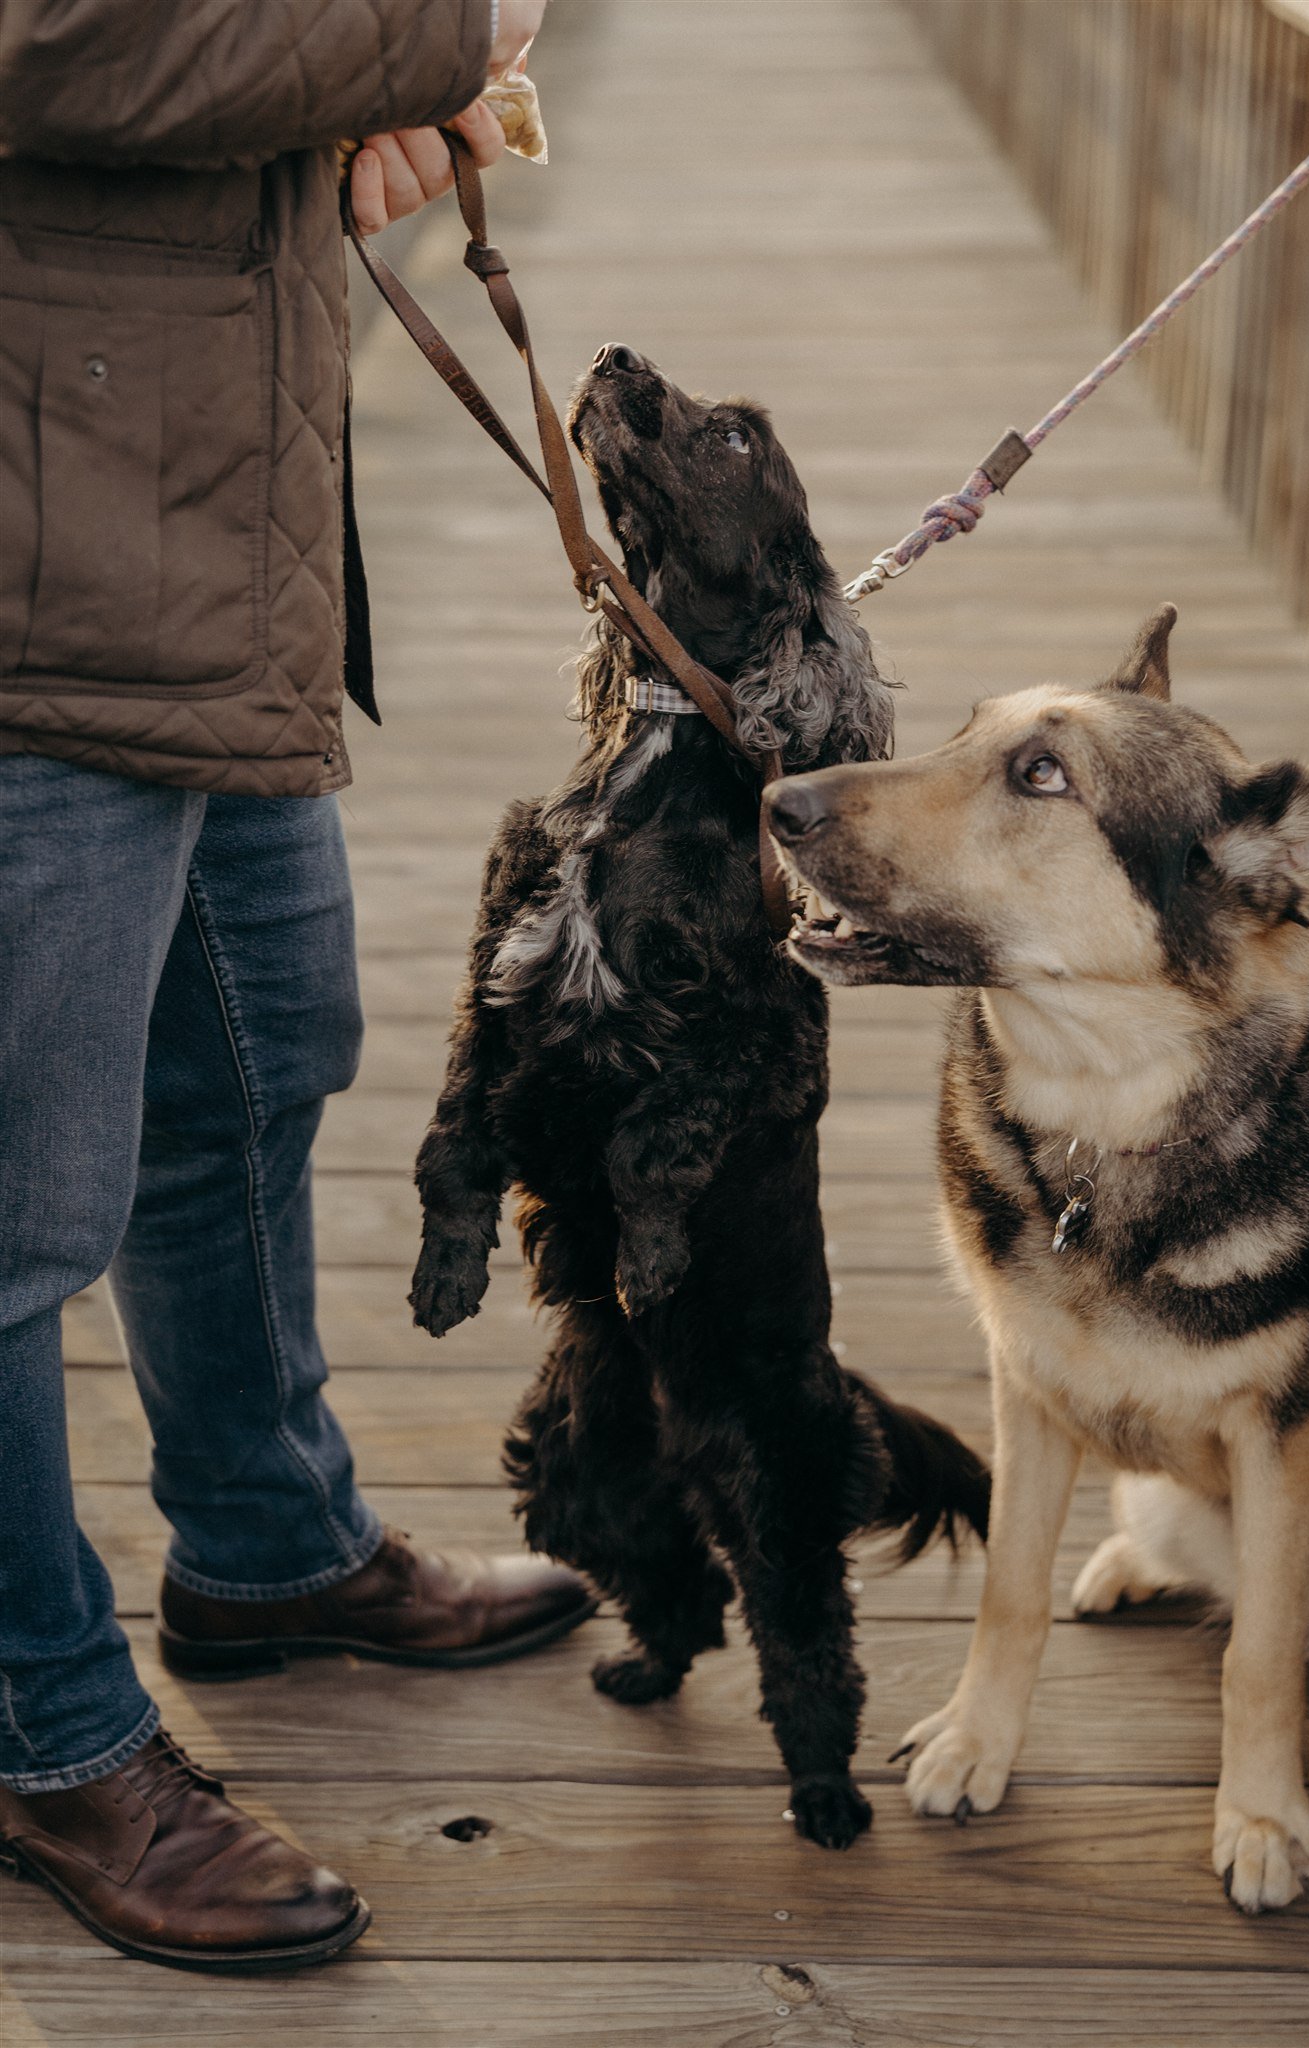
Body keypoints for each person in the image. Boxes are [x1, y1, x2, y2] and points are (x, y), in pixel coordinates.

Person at [0, 0, 592, 1975]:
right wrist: (428, 34)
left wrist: (342, 115)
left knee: (259, 1053)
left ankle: (264, 1542)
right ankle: (41, 1729)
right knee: (15, 1215)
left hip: (191, 522)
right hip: (40, 553)